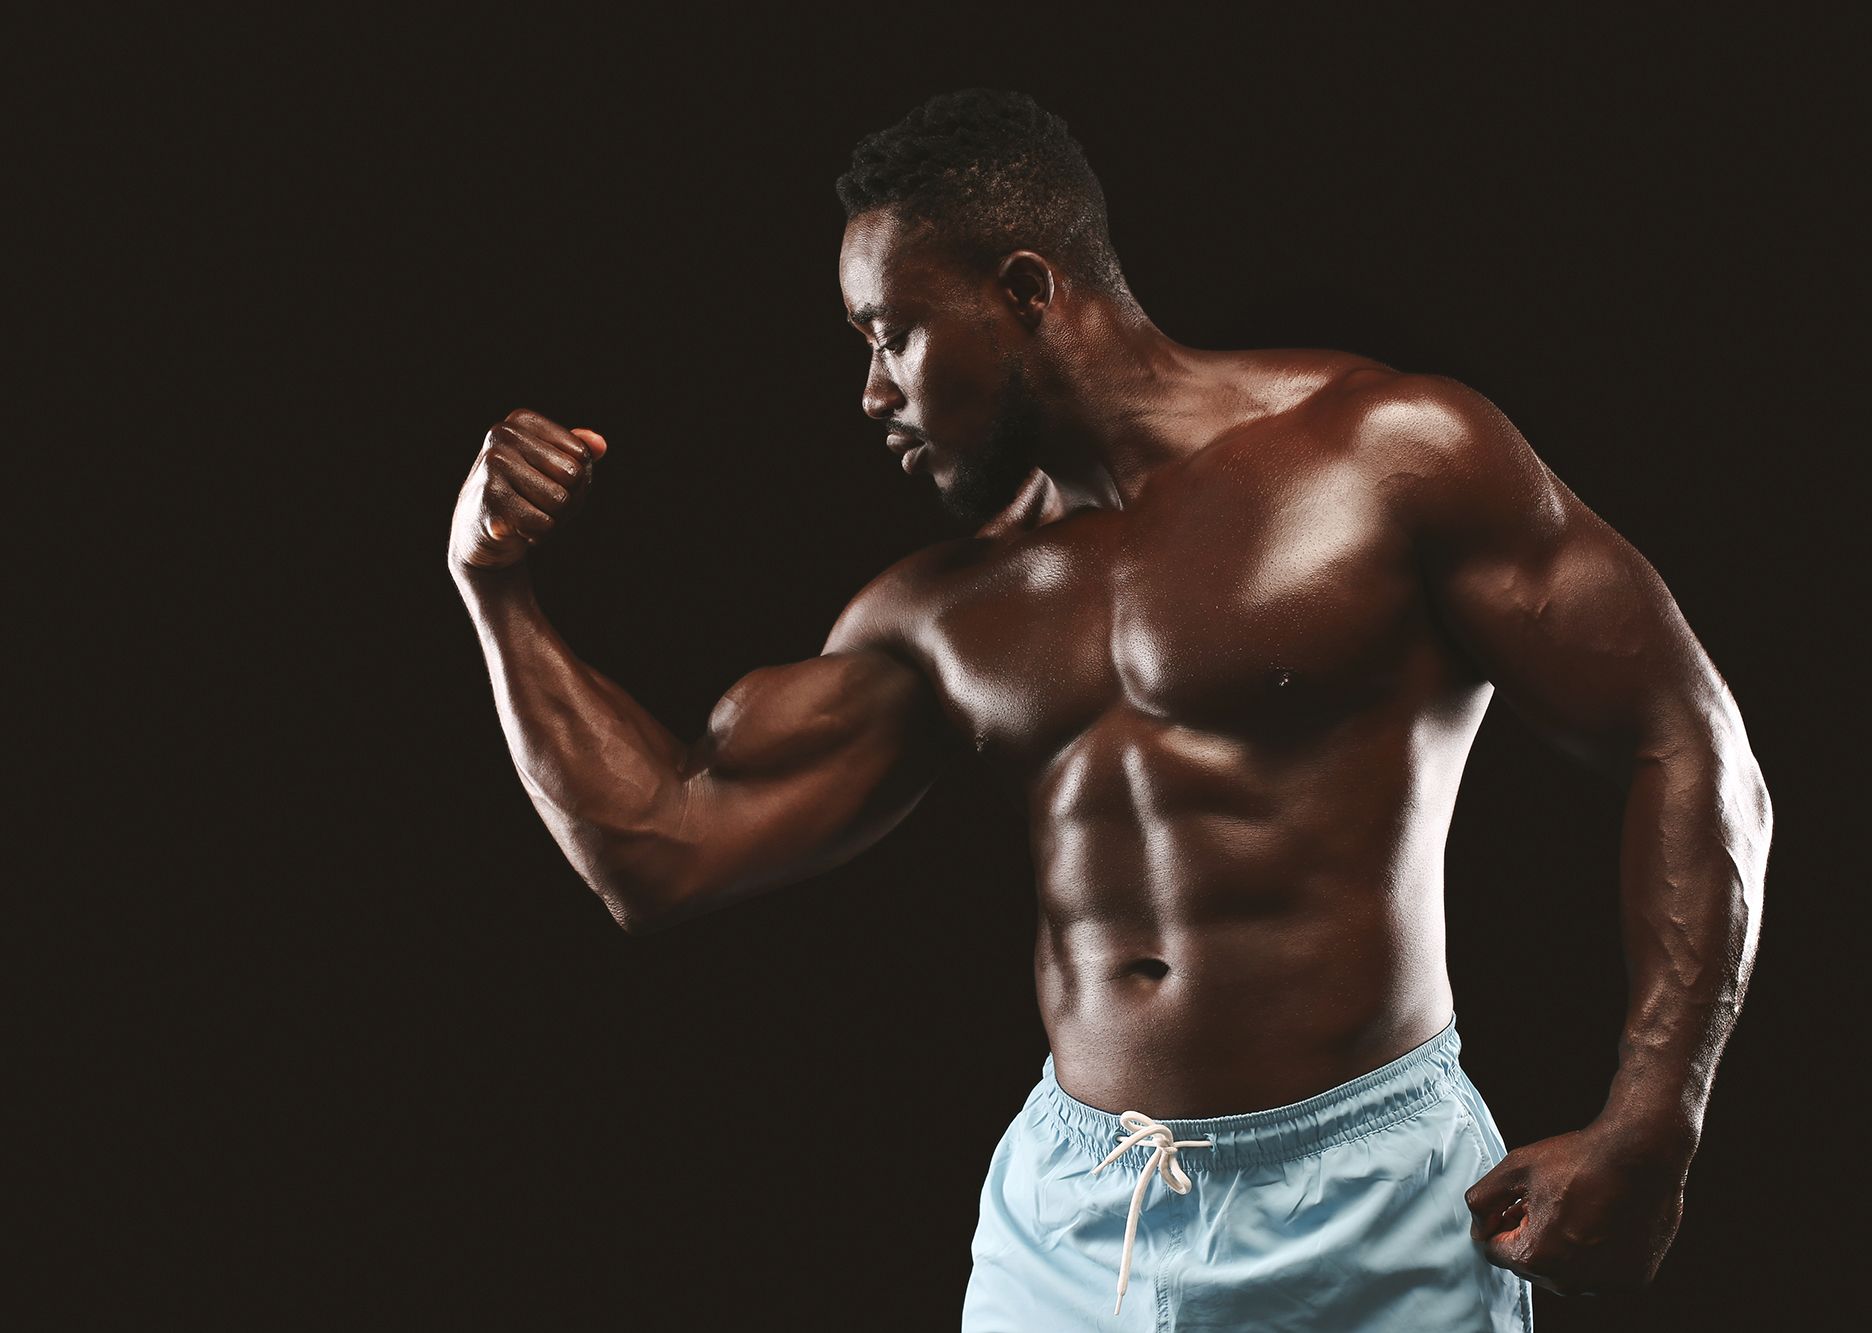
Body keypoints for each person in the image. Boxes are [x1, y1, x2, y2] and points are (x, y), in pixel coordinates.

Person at [445, 89, 1771, 1330]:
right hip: (1076, 1230)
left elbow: (1686, 734)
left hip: (1376, 1198)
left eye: (889, 333)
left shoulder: (1387, 454)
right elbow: (663, 846)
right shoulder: (946, 611)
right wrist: (495, 590)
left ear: (1024, 290)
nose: (871, 391)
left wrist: (1656, 1110)